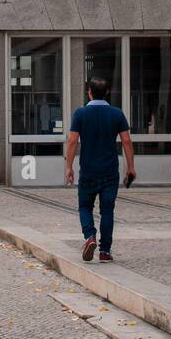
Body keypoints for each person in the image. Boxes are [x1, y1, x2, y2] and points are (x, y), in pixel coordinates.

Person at [66, 77, 135, 263]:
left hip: (88, 170)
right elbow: (126, 141)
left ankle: (89, 236)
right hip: (109, 171)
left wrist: (68, 167)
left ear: (89, 92)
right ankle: (105, 251)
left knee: (84, 206)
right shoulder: (116, 114)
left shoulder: (80, 114)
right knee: (107, 211)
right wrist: (131, 167)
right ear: (106, 93)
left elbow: (73, 141)